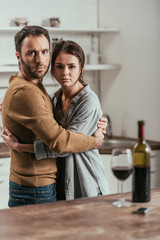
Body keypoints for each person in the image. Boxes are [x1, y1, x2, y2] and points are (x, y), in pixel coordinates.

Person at [1, 26, 106, 207]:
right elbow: (61, 142)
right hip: (38, 186)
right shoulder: (43, 95)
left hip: (80, 182)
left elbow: (59, 142)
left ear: (81, 68)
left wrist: (20, 145)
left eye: (44, 51)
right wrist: (94, 142)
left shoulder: (46, 93)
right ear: (18, 57)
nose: (40, 59)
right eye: (31, 53)